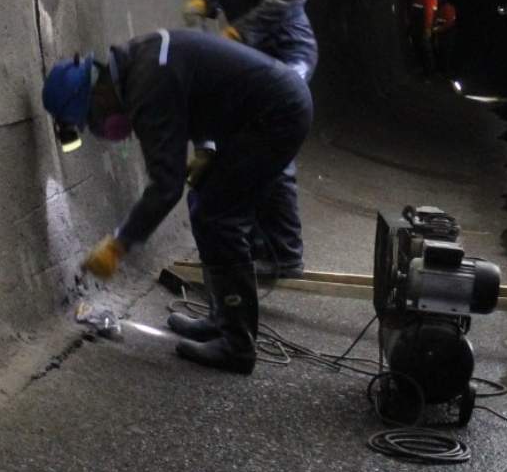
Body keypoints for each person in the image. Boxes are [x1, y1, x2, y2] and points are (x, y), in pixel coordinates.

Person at [42, 30, 312, 375]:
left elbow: (166, 187)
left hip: (275, 116)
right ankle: (222, 318)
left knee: (220, 218)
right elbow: (199, 84)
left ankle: (238, 345)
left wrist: (118, 244)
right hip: (262, 109)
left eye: (92, 119)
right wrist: (205, 148)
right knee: (205, 203)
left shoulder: (145, 89)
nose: (99, 127)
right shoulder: (136, 63)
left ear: (96, 95)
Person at [165, 0, 317, 280]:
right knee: (237, 147)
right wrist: (211, 0)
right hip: (252, 54)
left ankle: (285, 255)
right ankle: (245, 247)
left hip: (287, 52)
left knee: (270, 149)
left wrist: (242, 31)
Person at [408, 0, 457, 76]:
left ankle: (431, 72)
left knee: (428, 50)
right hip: (419, 28)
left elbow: (429, 14)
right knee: (422, 49)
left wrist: (428, 29)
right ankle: (427, 70)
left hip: (430, 30)